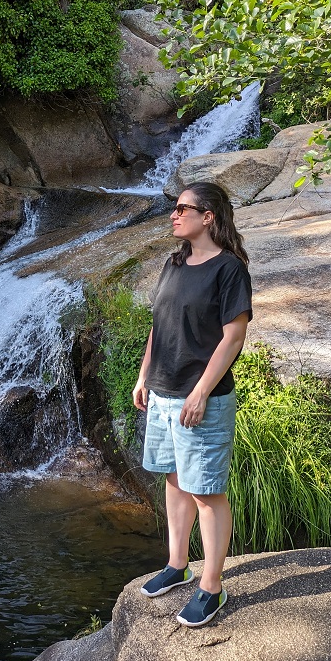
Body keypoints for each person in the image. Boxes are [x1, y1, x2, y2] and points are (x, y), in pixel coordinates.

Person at [133, 182, 252, 627]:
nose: (173, 214)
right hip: (162, 392)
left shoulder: (229, 270)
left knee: (206, 492)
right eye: (174, 207)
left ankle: (212, 588)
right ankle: (177, 565)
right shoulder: (174, 262)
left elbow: (233, 336)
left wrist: (201, 391)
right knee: (176, 480)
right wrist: (145, 374)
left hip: (200, 398)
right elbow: (158, 325)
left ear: (209, 217)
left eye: (184, 208)